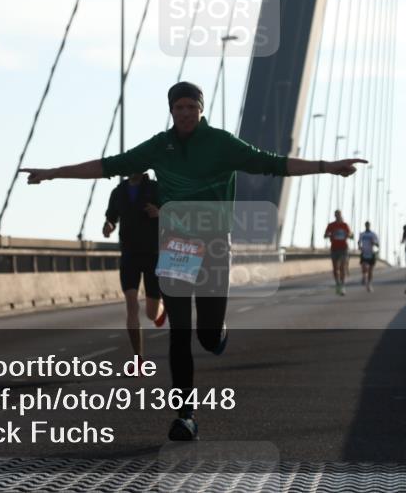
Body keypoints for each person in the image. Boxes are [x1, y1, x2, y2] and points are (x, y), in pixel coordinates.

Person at [21, 82, 367, 441]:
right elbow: (108, 165)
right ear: (171, 110)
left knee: (207, 335)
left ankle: (217, 333)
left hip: (214, 245)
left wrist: (327, 167)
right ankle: (185, 415)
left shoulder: (222, 143)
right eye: (179, 107)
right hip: (176, 247)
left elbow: (274, 164)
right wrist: (53, 173)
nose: (185, 113)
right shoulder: (160, 146)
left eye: (191, 107)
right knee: (179, 333)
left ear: (201, 109)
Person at [103, 172, 166, 361]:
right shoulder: (118, 192)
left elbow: (176, 214)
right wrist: (108, 226)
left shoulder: (156, 189)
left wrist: (159, 213)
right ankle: (138, 359)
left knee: (151, 314)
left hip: (153, 254)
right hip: (129, 254)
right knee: (131, 304)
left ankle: (161, 308)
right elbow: (111, 217)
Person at [324, 210, 352, 295]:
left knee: (342, 267)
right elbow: (325, 235)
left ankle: (342, 286)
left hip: (343, 248)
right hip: (334, 248)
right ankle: (337, 283)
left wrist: (349, 235)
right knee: (335, 268)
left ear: (341, 215)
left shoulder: (344, 225)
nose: (337, 216)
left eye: (338, 214)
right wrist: (329, 235)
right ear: (334, 216)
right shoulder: (331, 225)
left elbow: (350, 234)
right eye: (336, 215)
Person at [357, 221, 380, 292]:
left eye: (368, 225)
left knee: (370, 270)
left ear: (370, 225)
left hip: (371, 253)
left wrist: (374, 243)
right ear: (365, 225)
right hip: (364, 253)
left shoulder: (373, 234)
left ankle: (369, 284)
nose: (367, 226)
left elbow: (377, 244)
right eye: (366, 225)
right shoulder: (362, 234)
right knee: (364, 267)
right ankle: (364, 277)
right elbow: (359, 242)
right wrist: (359, 246)